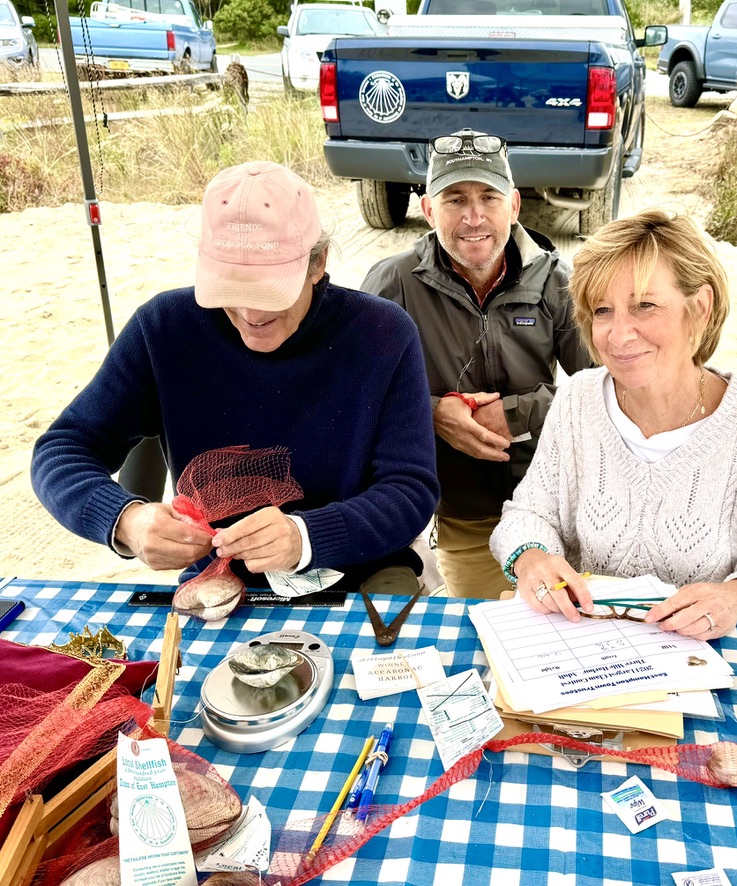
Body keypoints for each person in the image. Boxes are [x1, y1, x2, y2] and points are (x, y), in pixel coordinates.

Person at [31, 161, 439, 595]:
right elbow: (62, 449)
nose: (251, 314)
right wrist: (125, 519)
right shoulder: (164, 328)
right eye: (231, 288)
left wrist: (306, 536)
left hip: (363, 571)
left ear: (317, 263)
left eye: (270, 290)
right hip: (219, 581)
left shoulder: (382, 332)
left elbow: (410, 489)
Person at [490, 208, 737, 638]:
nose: (618, 334)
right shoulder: (577, 399)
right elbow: (528, 513)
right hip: (587, 652)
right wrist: (532, 556)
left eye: (644, 306)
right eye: (602, 311)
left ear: (700, 307)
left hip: (707, 658)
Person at [361, 128, 591, 599]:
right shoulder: (391, 284)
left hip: (553, 510)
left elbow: (609, 392)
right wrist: (430, 412)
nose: (473, 216)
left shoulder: (558, 281)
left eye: (489, 196)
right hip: (463, 518)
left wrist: (515, 415)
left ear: (515, 206)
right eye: (454, 199)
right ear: (427, 209)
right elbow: (355, 397)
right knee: (478, 637)